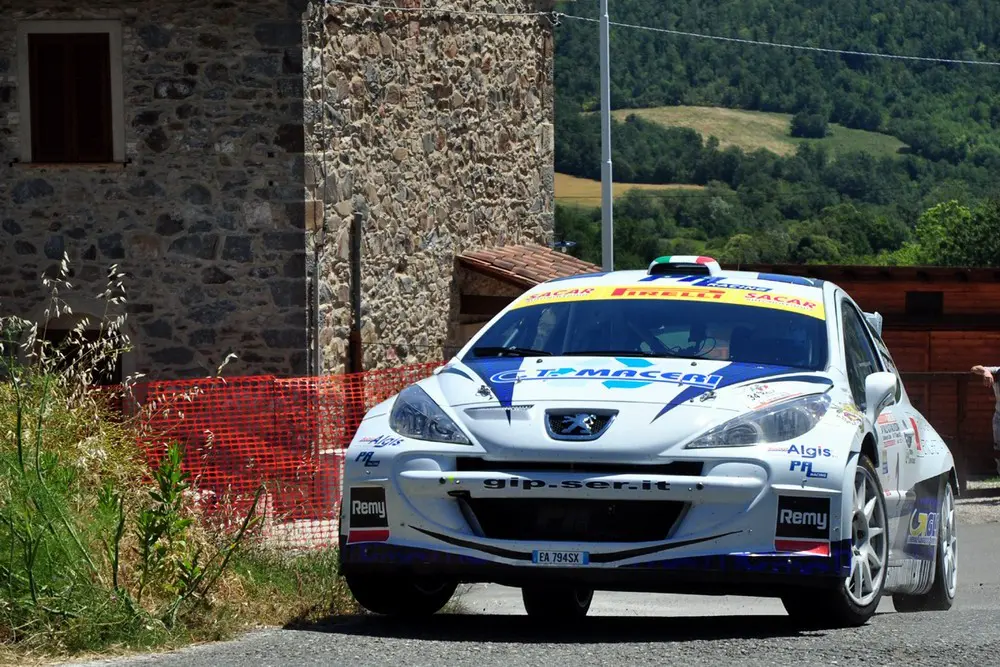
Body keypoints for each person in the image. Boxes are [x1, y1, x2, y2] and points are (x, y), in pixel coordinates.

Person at [970, 365, 1000, 475]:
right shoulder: (997, 371)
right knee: (998, 451)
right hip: (999, 417)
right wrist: (986, 372)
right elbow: (974, 368)